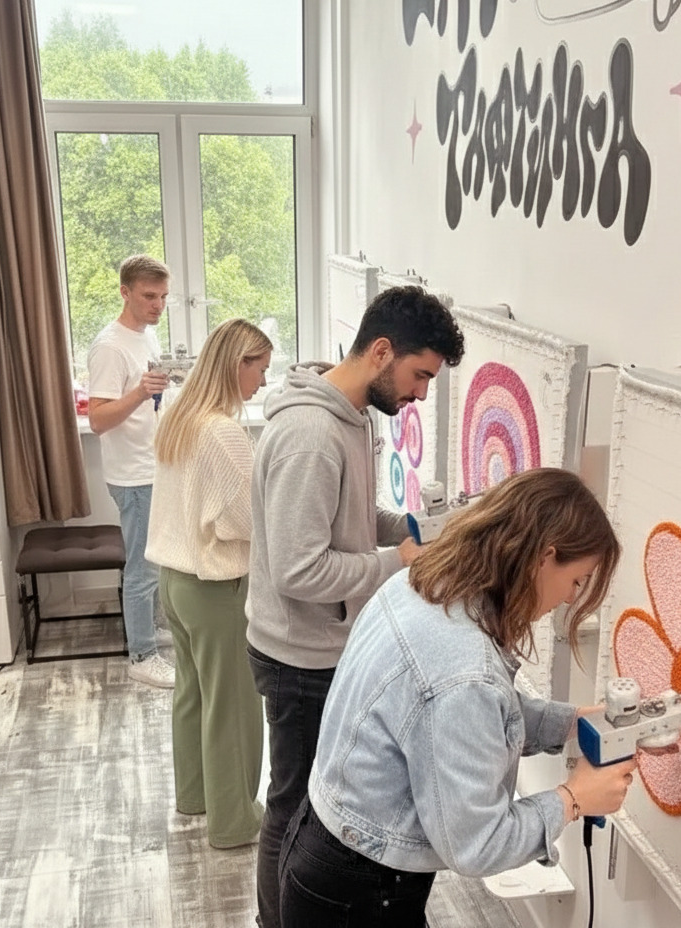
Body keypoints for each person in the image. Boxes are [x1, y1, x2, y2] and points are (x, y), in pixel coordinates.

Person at [278, 467, 638, 927]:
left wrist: (576, 722)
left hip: (325, 848)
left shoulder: (425, 585)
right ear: (544, 558)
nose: (570, 599)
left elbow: (475, 716)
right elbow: (478, 843)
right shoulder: (463, 670)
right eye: (577, 580)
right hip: (357, 895)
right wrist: (574, 798)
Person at [245, 285, 465, 928]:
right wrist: (398, 562)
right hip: (298, 658)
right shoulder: (311, 435)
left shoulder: (353, 416)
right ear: (382, 351)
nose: (421, 393)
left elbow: (350, 519)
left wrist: (415, 531)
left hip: (325, 647)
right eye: (420, 375)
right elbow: (298, 570)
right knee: (293, 805)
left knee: (309, 802)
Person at [146, 318, 273, 848]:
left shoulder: (178, 415)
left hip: (174, 581)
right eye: (260, 370)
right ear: (237, 364)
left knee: (193, 695)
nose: (263, 382)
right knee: (234, 707)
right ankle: (234, 821)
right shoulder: (222, 432)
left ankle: (196, 797)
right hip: (215, 586)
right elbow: (246, 519)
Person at [87, 254, 175, 689]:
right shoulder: (110, 346)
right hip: (133, 476)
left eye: (163, 297)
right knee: (143, 568)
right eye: (149, 297)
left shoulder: (146, 337)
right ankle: (142, 654)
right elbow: (97, 419)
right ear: (125, 292)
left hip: (152, 467)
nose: (158, 306)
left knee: (155, 562)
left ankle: (149, 630)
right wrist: (140, 393)